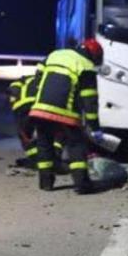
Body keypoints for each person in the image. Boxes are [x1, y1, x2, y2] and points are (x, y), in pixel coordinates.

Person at [28, 38, 103, 193]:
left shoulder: (54, 55)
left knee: (44, 144)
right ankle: (82, 185)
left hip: (40, 108)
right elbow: (89, 100)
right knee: (76, 145)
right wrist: (94, 127)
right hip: (66, 112)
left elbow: (37, 81)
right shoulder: (86, 65)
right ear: (93, 55)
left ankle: (46, 183)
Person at [7, 71, 39, 167]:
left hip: (22, 108)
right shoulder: (46, 79)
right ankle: (49, 157)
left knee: (25, 134)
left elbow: (12, 89)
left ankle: (34, 159)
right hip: (39, 107)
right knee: (46, 132)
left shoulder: (24, 79)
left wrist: (14, 104)